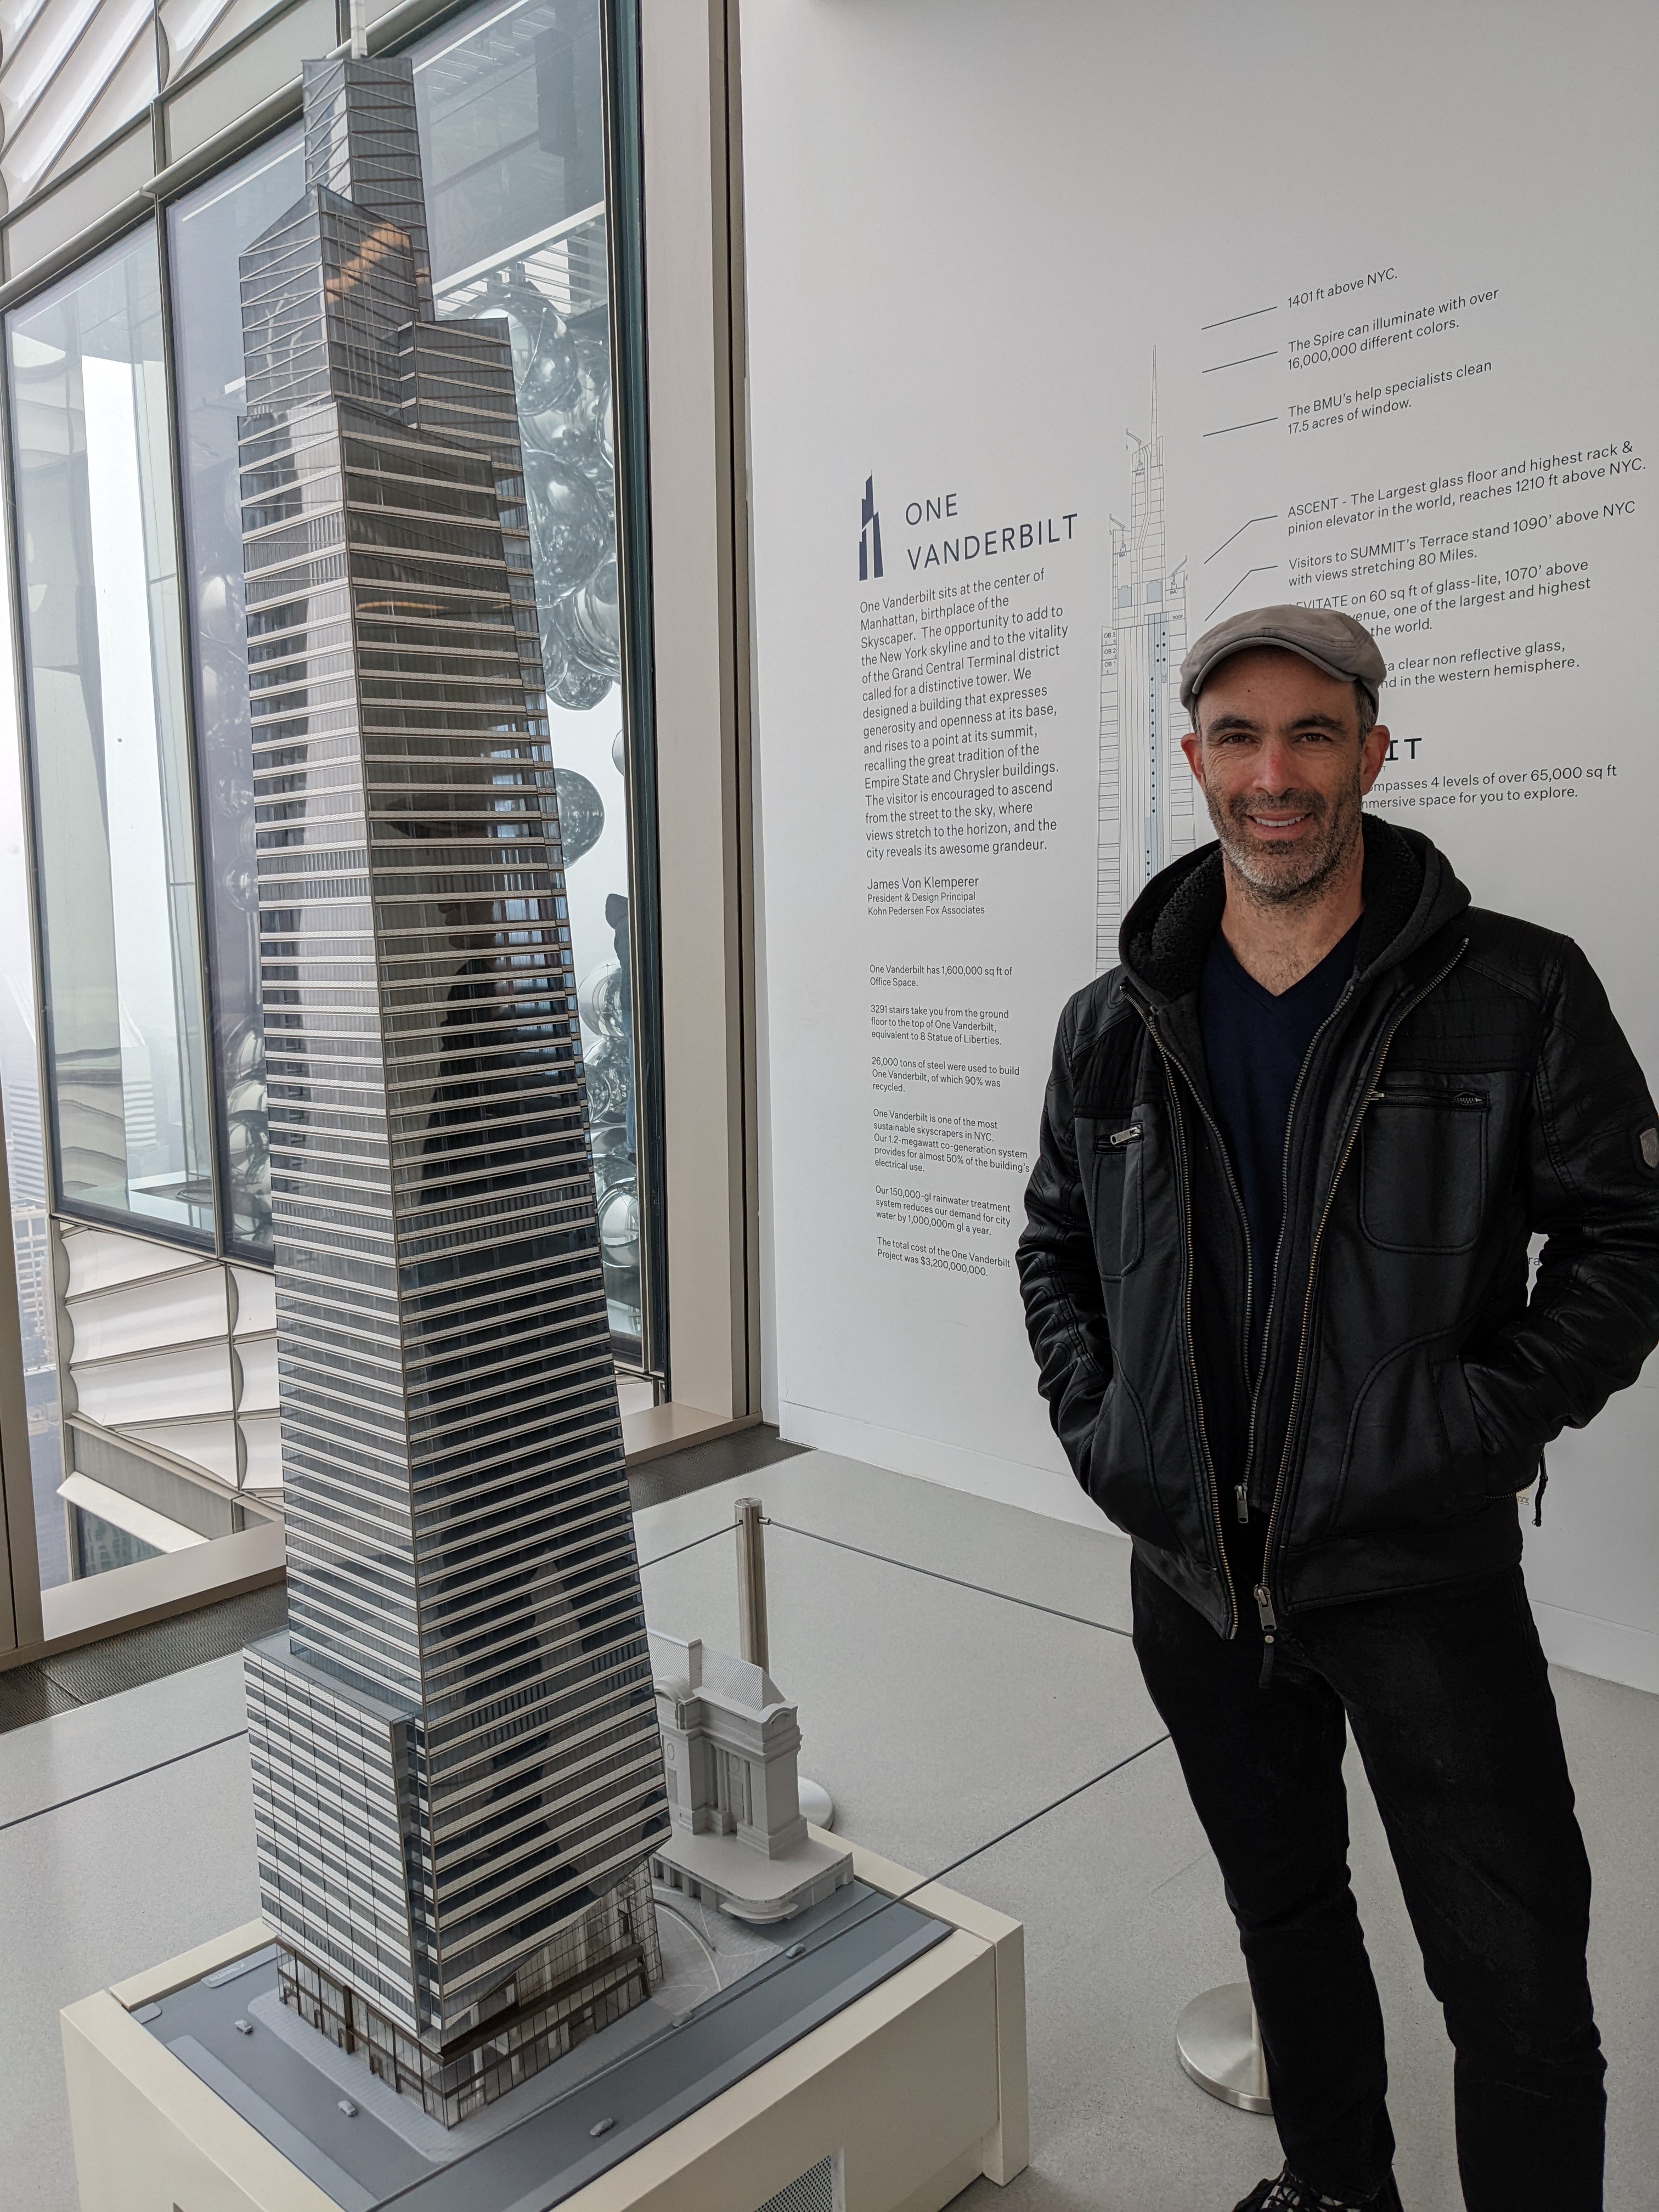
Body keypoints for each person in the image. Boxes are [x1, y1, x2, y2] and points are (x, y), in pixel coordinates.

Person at [1017, 605, 1659, 2212]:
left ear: (1374, 751)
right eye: (1237, 739)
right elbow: (1055, 1250)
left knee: (1513, 1982)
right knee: (1287, 1917)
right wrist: (1110, 1440)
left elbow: (1628, 1242)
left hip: (1419, 1575)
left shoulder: (1515, 993)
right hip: (1197, 1589)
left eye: (1313, 733)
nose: (1274, 774)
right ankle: (1338, 2187)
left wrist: (1469, 1425)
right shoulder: (1117, 1022)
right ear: (1195, 764)